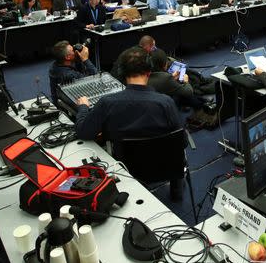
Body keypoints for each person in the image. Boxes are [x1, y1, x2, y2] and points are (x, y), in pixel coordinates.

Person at [74, 47, 184, 199]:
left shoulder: (107, 103)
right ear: (149, 72)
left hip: (127, 169)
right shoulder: (166, 102)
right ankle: (177, 193)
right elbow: (181, 141)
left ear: (122, 73)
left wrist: (83, 108)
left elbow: (83, 132)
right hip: (166, 166)